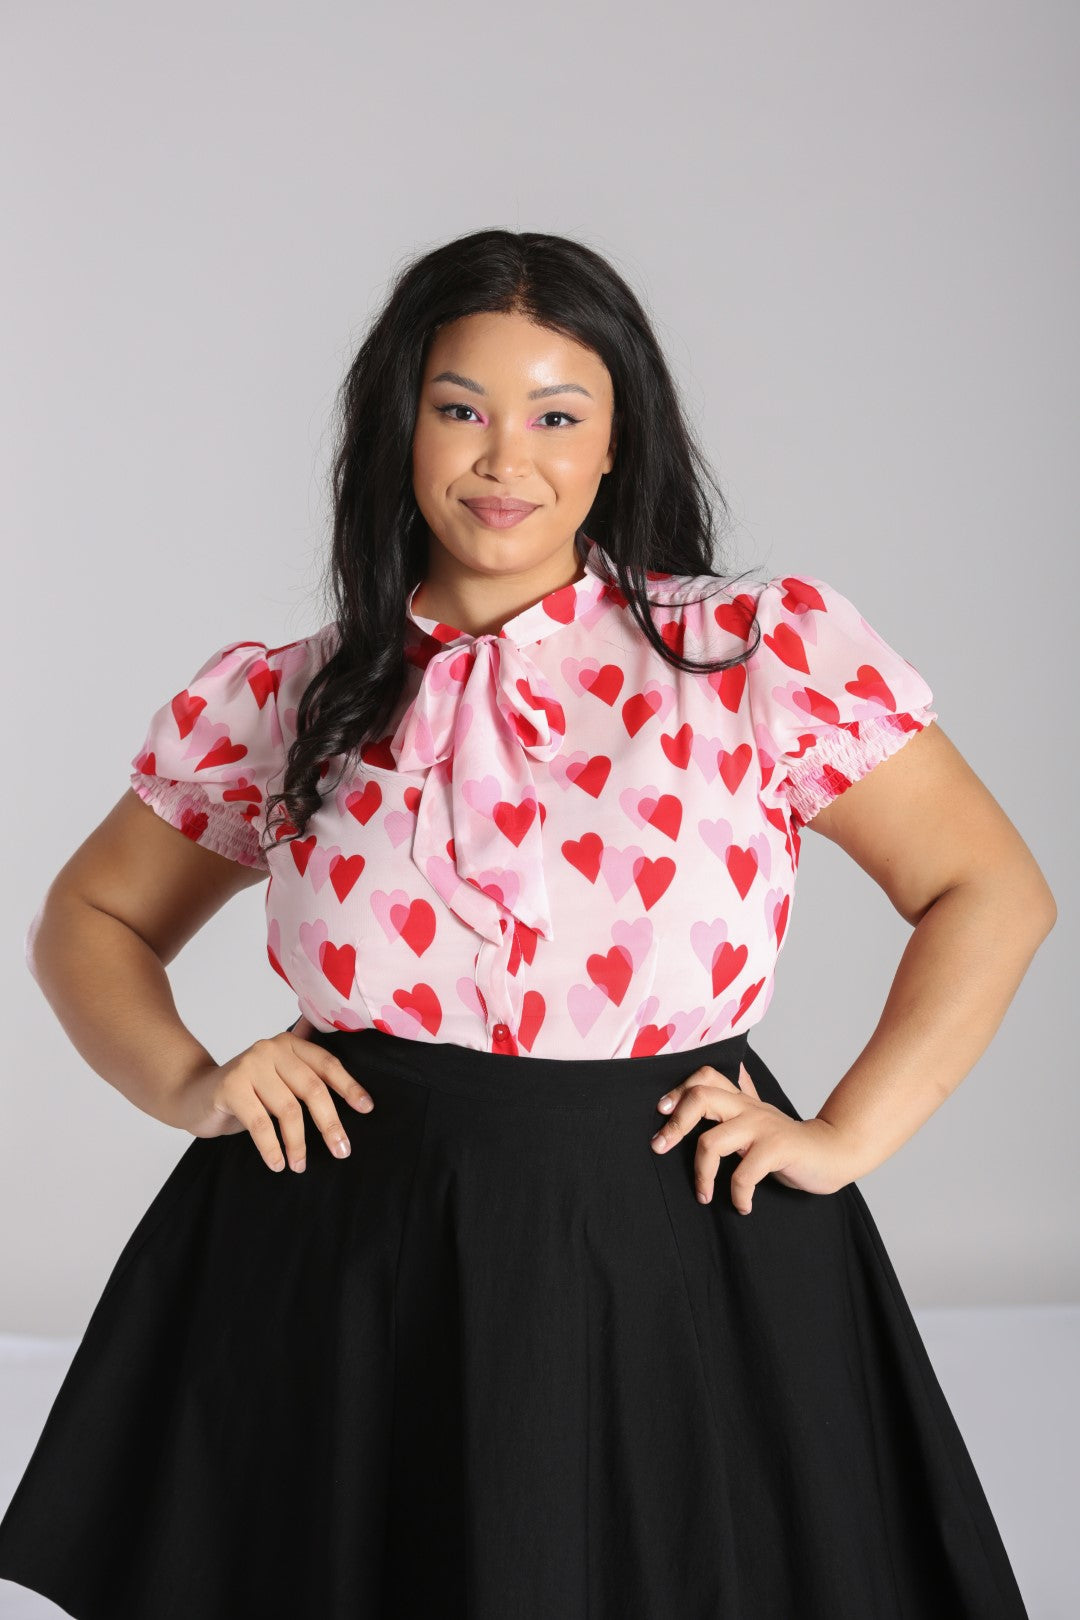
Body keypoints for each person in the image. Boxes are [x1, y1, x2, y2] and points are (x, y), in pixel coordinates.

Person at [0, 229, 1049, 1619]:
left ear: (619, 443)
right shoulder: (292, 696)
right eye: (461, 409)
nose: (507, 459)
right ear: (400, 428)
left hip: (677, 1248)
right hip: (349, 1264)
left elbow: (990, 890)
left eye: (558, 415)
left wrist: (849, 1134)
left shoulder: (751, 656)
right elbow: (89, 916)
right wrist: (190, 1081)